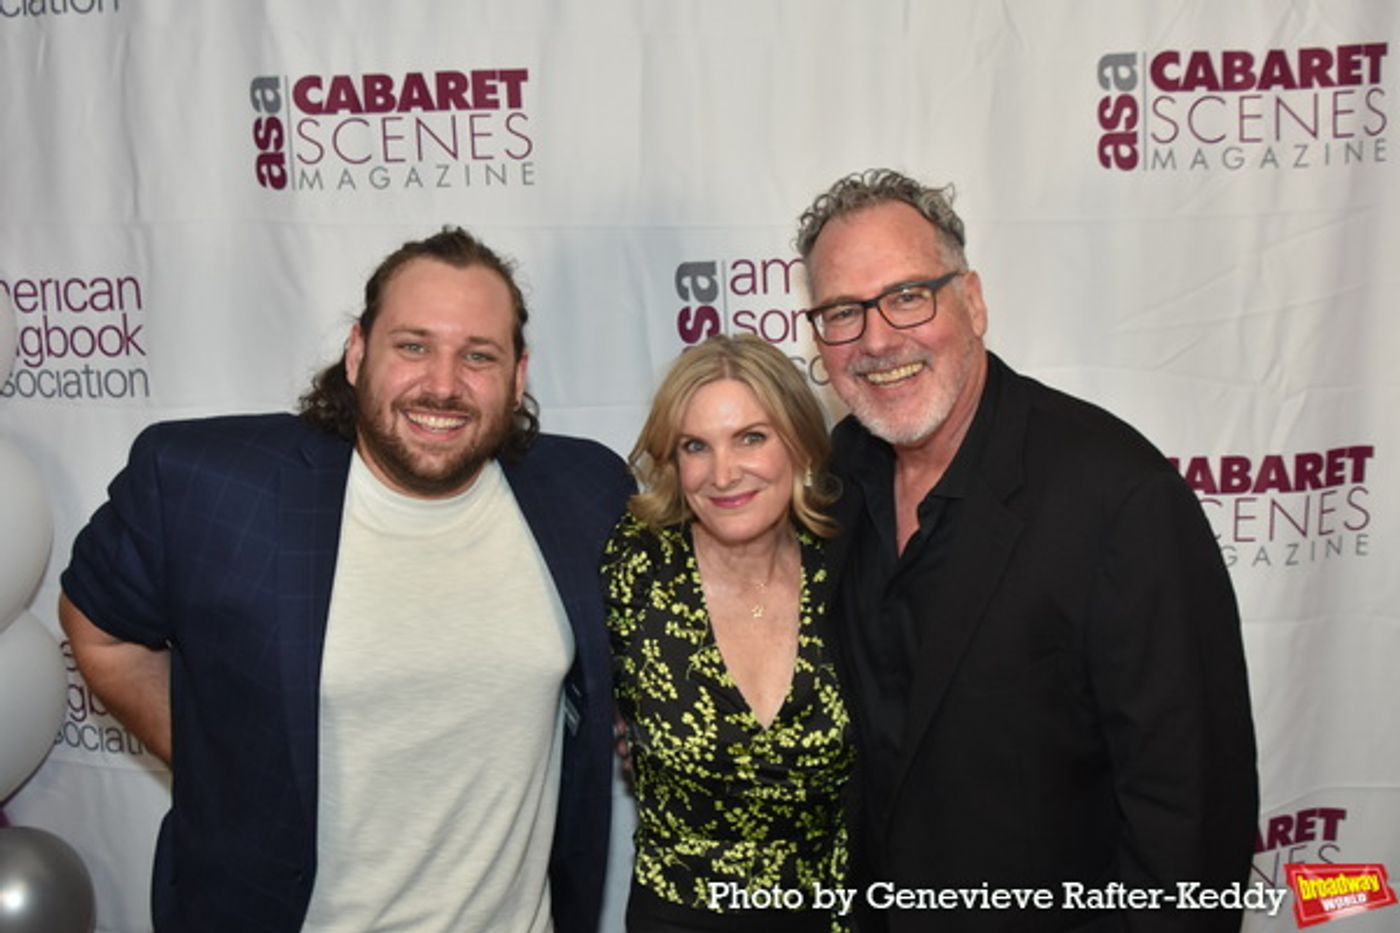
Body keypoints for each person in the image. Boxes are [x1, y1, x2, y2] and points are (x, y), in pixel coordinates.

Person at [58, 227, 632, 933]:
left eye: (478, 356)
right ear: (358, 353)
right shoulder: (206, 487)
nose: (443, 385)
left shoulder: (588, 491)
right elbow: (101, 629)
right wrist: (231, 765)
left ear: (518, 377)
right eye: (413, 345)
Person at [794, 170, 1258, 932]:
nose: (877, 339)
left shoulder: (1119, 498)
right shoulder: (841, 473)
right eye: (843, 311)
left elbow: (1192, 820)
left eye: (908, 295)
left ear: (972, 300)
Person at [603, 335, 853, 932]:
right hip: (678, 913)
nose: (723, 473)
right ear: (672, 461)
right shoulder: (633, 568)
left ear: (797, 441)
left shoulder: (849, 566)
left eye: (751, 437)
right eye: (697, 446)